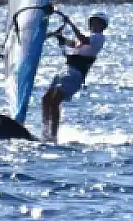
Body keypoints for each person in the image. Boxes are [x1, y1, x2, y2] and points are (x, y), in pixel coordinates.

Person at [42, 11, 108, 143]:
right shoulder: (88, 38)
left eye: (98, 23)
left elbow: (83, 39)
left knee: (55, 101)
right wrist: (60, 38)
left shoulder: (99, 37)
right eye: (93, 22)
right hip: (65, 71)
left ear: (103, 26)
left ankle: (53, 136)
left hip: (75, 74)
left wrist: (70, 22)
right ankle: (45, 132)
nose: (94, 24)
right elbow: (74, 43)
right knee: (46, 99)